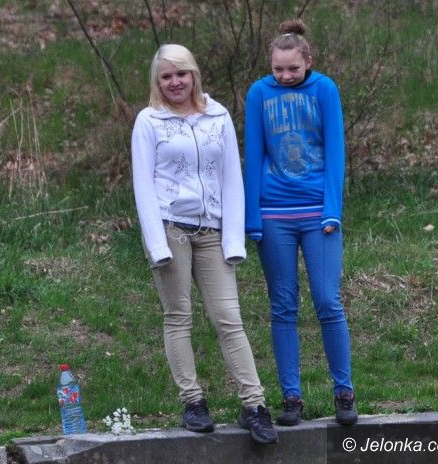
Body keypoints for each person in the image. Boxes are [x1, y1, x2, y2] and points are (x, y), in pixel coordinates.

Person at [131, 43, 278, 444]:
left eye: (181, 73)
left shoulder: (218, 116)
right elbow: (143, 185)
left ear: (193, 74)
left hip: (212, 230)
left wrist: (234, 240)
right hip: (170, 228)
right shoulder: (149, 121)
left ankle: (254, 405)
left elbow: (231, 178)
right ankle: (193, 402)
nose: (175, 82)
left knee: (229, 318)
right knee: (178, 315)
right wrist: (157, 245)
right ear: (157, 82)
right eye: (166, 76)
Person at [243, 19, 358, 427]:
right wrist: (252, 218)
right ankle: (291, 397)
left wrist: (332, 209)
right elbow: (254, 153)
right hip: (274, 214)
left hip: (317, 213)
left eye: (293, 68)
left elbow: (335, 150)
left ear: (308, 61)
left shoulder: (325, 89)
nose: (286, 75)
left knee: (328, 301)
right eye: (278, 68)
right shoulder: (259, 93)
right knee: (283, 306)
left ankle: (344, 391)